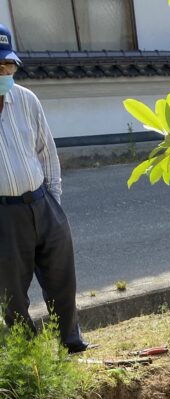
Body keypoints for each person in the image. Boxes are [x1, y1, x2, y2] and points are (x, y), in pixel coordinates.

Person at [0, 25, 88, 354]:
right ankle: (31, 356)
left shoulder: (26, 100)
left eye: (9, 65)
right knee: (11, 293)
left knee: (62, 279)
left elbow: (46, 152)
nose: (5, 72)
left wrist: (54, 201)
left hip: (42, 202)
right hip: (4, 214)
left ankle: (70, 342)